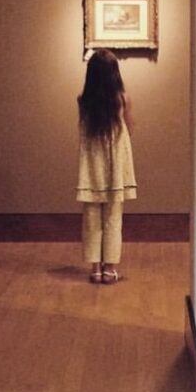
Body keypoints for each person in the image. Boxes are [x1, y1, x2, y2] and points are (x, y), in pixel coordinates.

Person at [76, 48, 137, 284]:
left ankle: (95, 268)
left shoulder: (83, 100)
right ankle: (110, 268)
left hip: (92, 166)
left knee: (91, 218)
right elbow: (130, 129)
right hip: (115, 167)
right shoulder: (123, 99)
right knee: (113, 217)